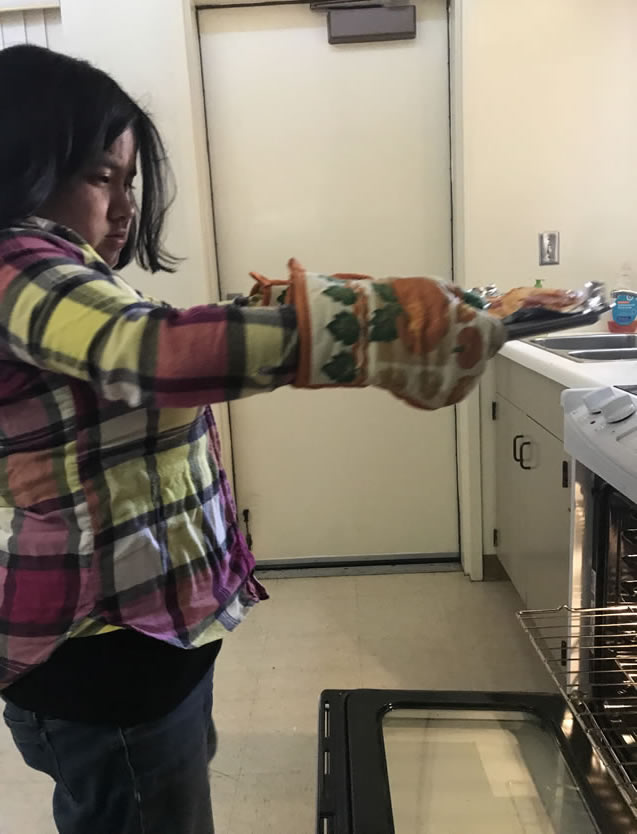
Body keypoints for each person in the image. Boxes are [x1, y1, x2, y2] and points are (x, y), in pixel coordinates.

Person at [0, 44, 504, 834]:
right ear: (22, 159)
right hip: (102, 652)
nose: (125, 204)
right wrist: (359, 327)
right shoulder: (18, 260)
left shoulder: (65, 270)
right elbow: (151, 351)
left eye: (131, 180)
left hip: (140, 645)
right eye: (103, 176)